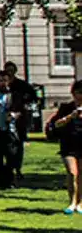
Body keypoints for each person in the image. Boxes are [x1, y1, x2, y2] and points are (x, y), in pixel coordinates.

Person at [47, 79, 82, 214]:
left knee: (81, 175)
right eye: (77, 93)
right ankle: (72, 202)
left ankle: (80, 203)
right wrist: (70, 117)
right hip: (69, 144)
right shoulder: (66, 108)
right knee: (72, 173)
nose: (79, 96)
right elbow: (56, 124)